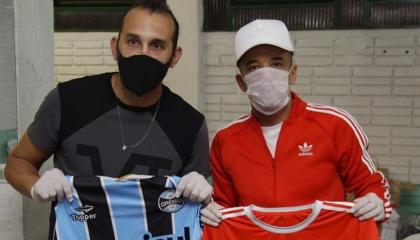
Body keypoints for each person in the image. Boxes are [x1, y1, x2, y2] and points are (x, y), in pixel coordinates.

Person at [5, 0, 212, 237]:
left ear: (174, 57)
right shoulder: (68, 101)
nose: (143, 54)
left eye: (157, 45)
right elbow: (18, 162)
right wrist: (35, 186)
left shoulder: (190, 125)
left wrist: (204, 196)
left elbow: (195, 210)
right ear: (115, 47)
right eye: (133, 41)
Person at [201, 19, 392, 227]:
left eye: (276, 64)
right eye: (254, 67)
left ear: (292, 74)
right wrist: (212, 210)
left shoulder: (335, 125)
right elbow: (226, 208)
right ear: (241, 82)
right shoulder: (226, 140)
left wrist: (376, 200)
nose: (266, 74)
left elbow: (371, 185)